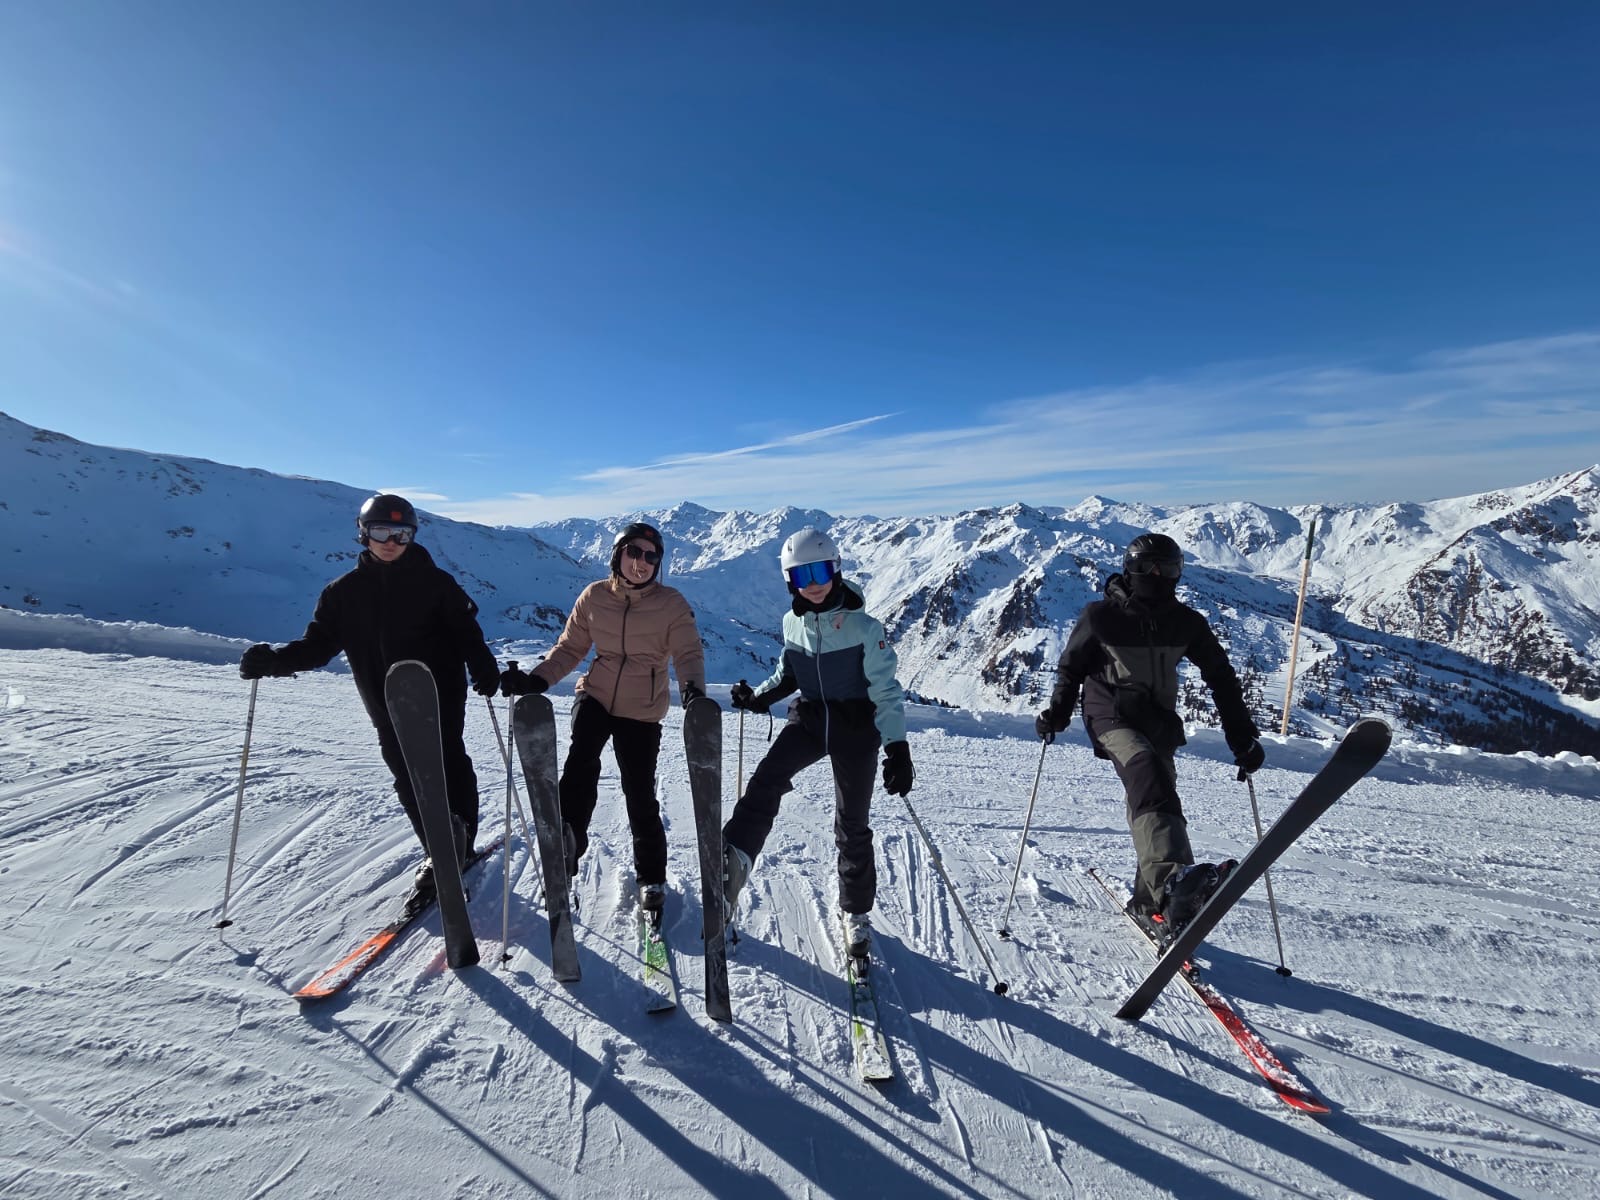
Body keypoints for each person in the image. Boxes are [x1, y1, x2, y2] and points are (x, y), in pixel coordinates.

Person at [238, 494, 501, 894]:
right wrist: (275, 661)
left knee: (448, 762)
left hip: (440, 696)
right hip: (383, 702)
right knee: (407, 777)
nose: (391, 542)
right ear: (363, 534)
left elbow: (468, 634)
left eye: (401, 534)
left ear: (412, 536)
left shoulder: (436, 584)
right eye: (381, 532)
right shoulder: (343, 593)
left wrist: (483, 665)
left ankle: (459, 837)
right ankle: (439, 849)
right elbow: (318, 646)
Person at [1036, 532, 1265, 936]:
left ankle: (1151, 904)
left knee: (1157, 797)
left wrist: (1241, 735)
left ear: (1178, 574)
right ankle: (1173, 881)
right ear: (1129, 570)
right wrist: (1057, 714)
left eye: (1167, 569)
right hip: (1109, 713)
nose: (1156, 577)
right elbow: (1071, 668)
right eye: (1146, 568)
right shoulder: (1100, 616)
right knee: (1147, 772)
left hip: (1158, 722)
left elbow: (1221, 677)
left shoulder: (1186, 623)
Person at [721, 527, 914, 971]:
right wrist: (758, 698)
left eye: (820, 571)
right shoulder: (793, 622)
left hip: (855, 730)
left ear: (836, 569)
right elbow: (787, 673)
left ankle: (855, 912)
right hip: (809, 721)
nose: (813, 584)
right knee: (765, 780)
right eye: (801, 575)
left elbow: (886, 692)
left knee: (852, 823)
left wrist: (897, 747)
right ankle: (731, 865)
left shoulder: (865, 629)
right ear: (790, 581)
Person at [499, 521, 705, 920]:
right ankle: (567, 846)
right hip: (595, 694)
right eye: (634, 552)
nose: (641, 562)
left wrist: (693, 691)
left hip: (642, 708)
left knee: (639, 793)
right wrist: (537, 679)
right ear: (618, 555)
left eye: (651, 556)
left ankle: (651, 877)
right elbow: (570, 648)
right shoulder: (594, 596)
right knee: (580, 764)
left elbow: (688, 653)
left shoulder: (671, 604)